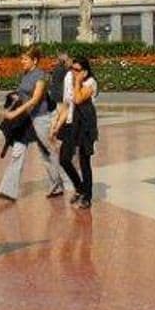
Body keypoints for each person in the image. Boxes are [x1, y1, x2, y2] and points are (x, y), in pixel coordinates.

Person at [0, 46, 65, 202]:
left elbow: (35, 99)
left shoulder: (41, 76)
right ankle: (8, 190)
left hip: (40, 119)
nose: (22, 62)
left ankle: (57, 185)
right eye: (22, 59)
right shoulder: (26, 74)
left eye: (25, 59)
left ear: (34, 60)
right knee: (17, 153)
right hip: (25, 121)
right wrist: (14, 98)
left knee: (47, 153)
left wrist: (15, 112)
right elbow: (23, 94)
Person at [53, 55, 99, 208]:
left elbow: (78, 99)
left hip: (85, 125)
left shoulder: (90, 83)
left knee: (84, 161)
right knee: (64, 159)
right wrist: (57, 125)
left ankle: (87, 196)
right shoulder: (69, 80)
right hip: (72, 124)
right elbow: (68, 105)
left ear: (85, 71)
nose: (73, 72)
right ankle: (79, 187)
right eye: (72, 68)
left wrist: (78, 81)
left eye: (77, 70)